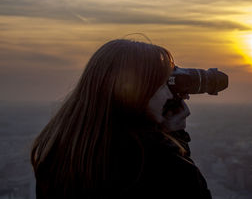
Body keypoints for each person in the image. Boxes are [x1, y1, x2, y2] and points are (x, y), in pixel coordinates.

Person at [30, 39, 212, 199]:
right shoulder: (162, 167)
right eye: (162, 86)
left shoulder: (56, 156)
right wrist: (176, 140)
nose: (169, 95)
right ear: (137, 94)